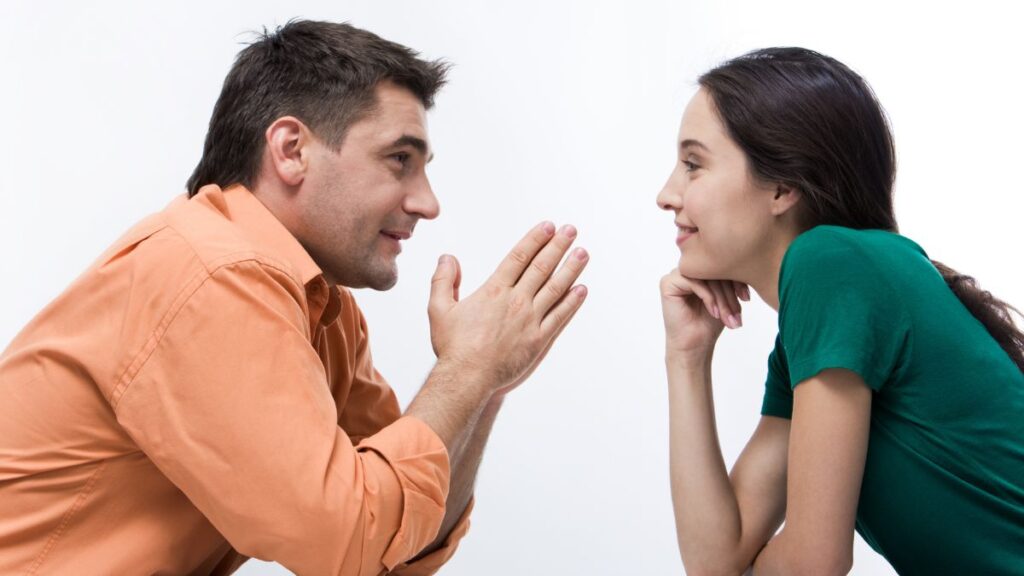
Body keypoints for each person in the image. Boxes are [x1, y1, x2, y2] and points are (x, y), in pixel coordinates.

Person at [0, 20, 589, 575]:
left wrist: (483, 386)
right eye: (399, 160)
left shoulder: (320, 307)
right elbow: (346, 543)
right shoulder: (212, 275)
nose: (427, 202)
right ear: (290, 150)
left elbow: (395, 542)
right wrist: (465, 370)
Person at [657, 47, 1024, 575]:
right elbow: (716, 557)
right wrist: (685, 356)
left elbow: (812, 564)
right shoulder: (815, 325)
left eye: (693, 165)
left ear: (782, 187)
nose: (666, 195)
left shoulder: (829, 263)